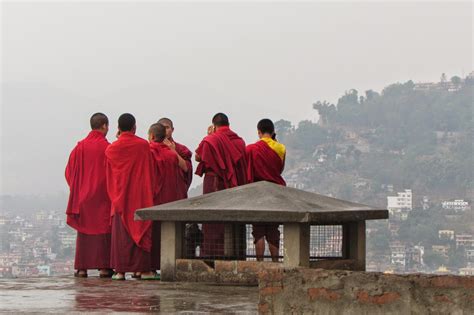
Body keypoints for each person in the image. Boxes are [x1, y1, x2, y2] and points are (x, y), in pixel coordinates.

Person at [105, 113, 159, 280]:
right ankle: (142, 270)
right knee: (139, 231)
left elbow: (109, 175)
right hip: (139, 197)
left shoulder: (111, 149)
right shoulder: (143, 145)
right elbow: (151, 170)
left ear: (118, 129)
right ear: (134, 128)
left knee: (121, 236)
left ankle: (120, 271)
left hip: (118, 197)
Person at [65, 113, 113, 278]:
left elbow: (69, 172)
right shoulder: (108, 148)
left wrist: (78, 189)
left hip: (83, 198)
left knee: (84, 234)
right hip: (103, 197)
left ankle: (82, 268)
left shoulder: (80, 147)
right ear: (105, 126)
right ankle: (104, 267)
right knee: (104, 232)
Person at [195, 113, 247, 257]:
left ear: (214, 126)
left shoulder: (211, 139)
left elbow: (198, 156)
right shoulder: (239, 141)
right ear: (229, 124)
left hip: (214, 183)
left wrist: (208, 135)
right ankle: (234, 252)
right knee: (231, 217)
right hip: (233, 185)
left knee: (212, 219)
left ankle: (211, 253)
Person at [148, 123, 189, 269]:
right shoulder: (169, 154)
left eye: (168, 127)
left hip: (158, 197)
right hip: (170, 196)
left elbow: (186, 168)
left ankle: (153, 266)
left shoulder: (150, 151)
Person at [246, 119, 286, 262]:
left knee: (258, 231)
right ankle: (276, 263)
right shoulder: (281, 148)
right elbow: (280, 170)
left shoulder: (250, 148)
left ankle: (260, 263)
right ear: (273, 131)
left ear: (259, 132)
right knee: (273, 229)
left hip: (257, 193)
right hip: (275, 192)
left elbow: (247, 169)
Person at [157, 118, 193, 198]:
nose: (164, 130)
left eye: (167, 127)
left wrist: (173, 151)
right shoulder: (152, 149)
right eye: (161, 128)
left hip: (176, 192)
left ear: (172, 129)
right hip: (158, 193)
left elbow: (187, 169)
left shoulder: (181, 148)